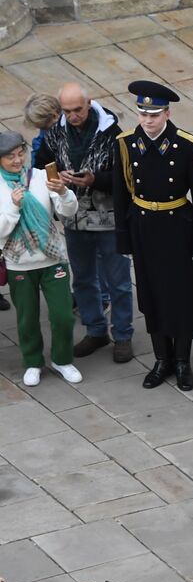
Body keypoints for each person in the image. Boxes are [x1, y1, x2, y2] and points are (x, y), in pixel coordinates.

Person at [113, 80, 193, 392]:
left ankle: (182, 361)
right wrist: (124, 238)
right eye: (143, 113)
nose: (147, 119)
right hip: (143, 226)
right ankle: (162, 359)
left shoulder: (187, 145)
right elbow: (120, 194)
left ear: (167, 114)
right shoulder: (125, 144)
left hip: (177, 227)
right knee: (152, 294)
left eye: (154, 114)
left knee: (181, 296)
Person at [33, 83, 133, 362]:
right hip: (73, 219)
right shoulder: (56, 132)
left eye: (77, 109)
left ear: (89, 103)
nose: (73, 116)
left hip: (109, 219)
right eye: (67, 111)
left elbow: (127, 179)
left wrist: (95, 180)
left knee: (119, 282)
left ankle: (123, 335)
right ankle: (96, 330)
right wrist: (55, 179)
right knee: (84, 279)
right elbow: (40, 166)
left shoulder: (113, 134)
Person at [0, 129, 81, 388]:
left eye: (20, 153)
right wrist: (13, 207)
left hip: (53, 258)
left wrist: (64, 192)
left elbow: (68, 211)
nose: (16, 160)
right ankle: (33, 362)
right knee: (27, 318)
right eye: (9, 156)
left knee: (63, 316)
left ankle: (62, 359)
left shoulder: (41, 177)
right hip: (18, 263)